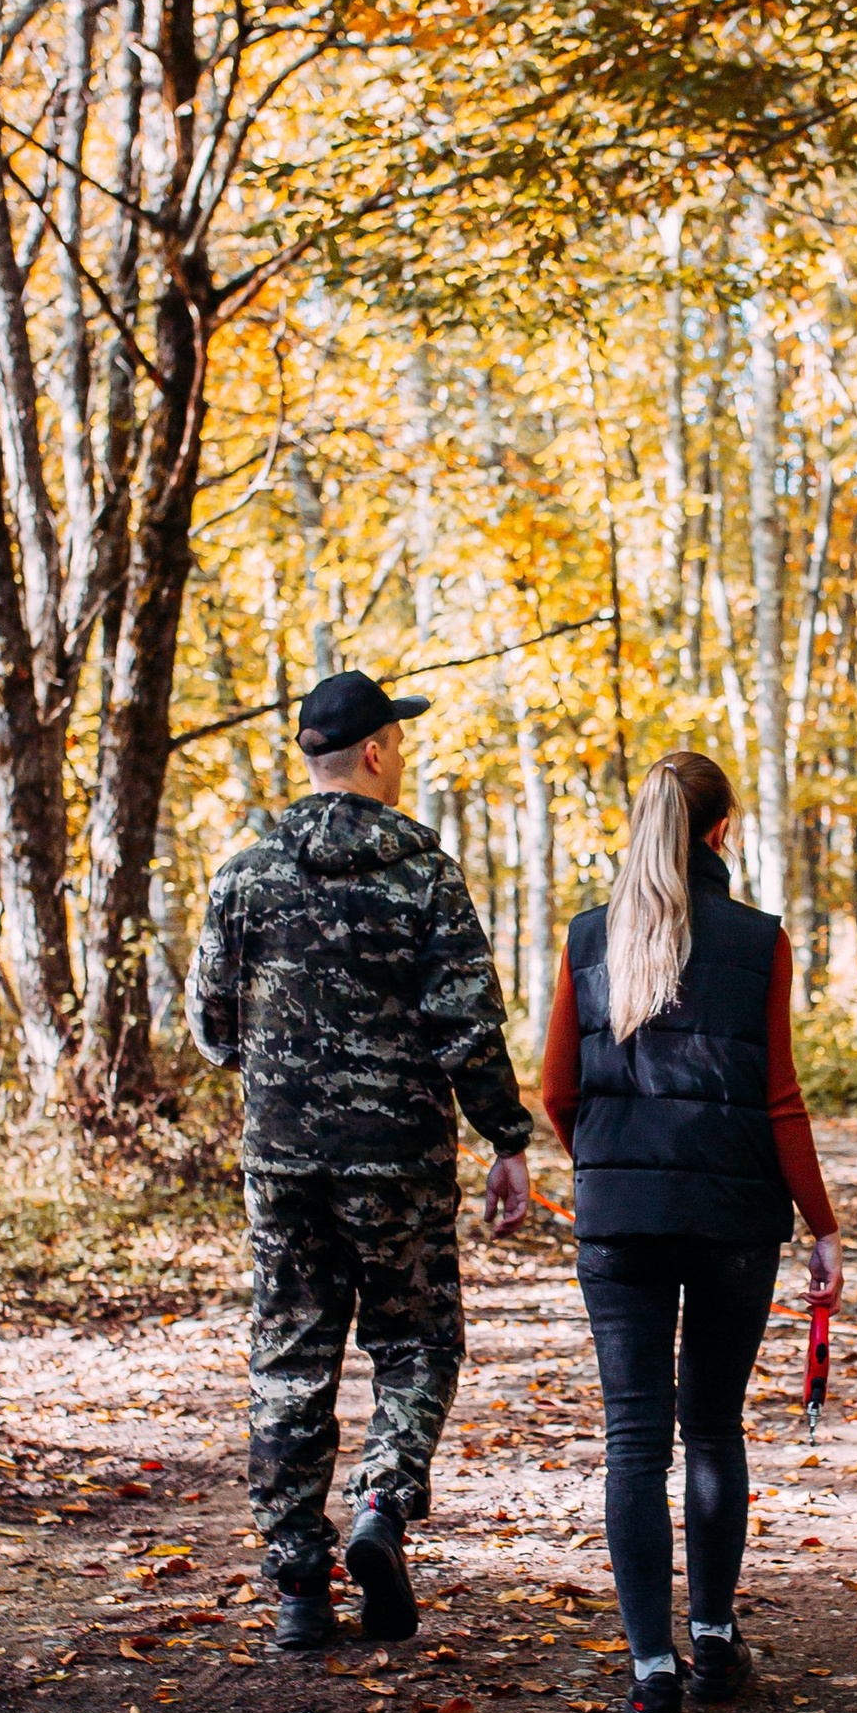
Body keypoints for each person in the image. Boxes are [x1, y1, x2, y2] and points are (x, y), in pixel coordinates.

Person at [189, 669, 532, 1654]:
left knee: (291, 1363)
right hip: (400, 1168)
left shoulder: (244, 874)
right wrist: (505, 1138)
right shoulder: (424, 875)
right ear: (376, 751)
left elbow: (212, 1029)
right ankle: (382, 1502)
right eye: (401, 740)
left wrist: (279, 1062)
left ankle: (300, 1585)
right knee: (417, 1345)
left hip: (284, 1167)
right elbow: (465, 1024)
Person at [540, 750, 841, 1713]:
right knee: (710, 1427)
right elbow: (780, 1100)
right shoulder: (759, 941)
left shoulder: (589, 938)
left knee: (634, 1439)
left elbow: (555, 1092)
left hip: (619, 1224)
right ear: (720, 832)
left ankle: (649, 1676)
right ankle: (713, 1643)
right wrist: (822, 1227)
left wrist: (613, 1169)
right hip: (733, 1223)